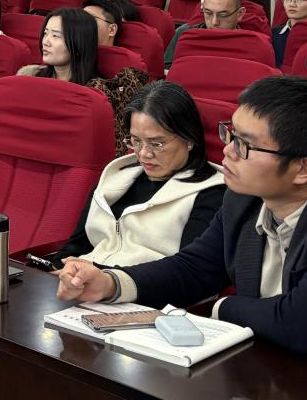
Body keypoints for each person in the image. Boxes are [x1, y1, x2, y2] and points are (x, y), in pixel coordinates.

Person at [56, 75, 307, 373]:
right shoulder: (246, 197)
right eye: (230, 134)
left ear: (304, 168)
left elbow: (305, 325)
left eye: (244, 145)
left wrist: (219, 309)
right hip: (274, 368)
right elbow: (195, 268)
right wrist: (110, 283)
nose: (227, 151)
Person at [50, 82, 224, 268]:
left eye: (157, 144)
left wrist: (102, 276)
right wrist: (54, 270)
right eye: (136, 141)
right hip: (84, 279)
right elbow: (75, 248)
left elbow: (188, 272)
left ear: (189, 139)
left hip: (139, 285)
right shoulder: (114, 176)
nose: (143, 154)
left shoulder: (211, 193)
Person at [19, 7, 148, 150]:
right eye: (45, 33)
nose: (46, 41)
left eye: (55, 36)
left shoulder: (96, 92)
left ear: (79, 41)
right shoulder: (28, 77)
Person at [163, 0, 245, 69]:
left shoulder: (248, 43)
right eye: (208, 13)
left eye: (223, 15)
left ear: (240, 14)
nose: (214, 22)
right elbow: (167, 69)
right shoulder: (184, 34)